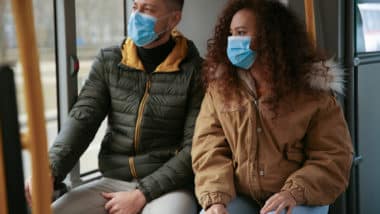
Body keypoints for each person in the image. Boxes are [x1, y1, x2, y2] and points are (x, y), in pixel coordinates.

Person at [25, 0, 204, 213]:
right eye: (135, 6)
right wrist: (50, 169)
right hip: (114, 179)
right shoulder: (109, 61)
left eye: (147, 9)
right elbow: (83, 117)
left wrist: (141, 194)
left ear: (174, 19)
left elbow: (193, 149)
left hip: (168, 187)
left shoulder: (196, 72)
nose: (137, 15)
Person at [191, 0, 353, 214]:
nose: (232, 42)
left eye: (241, 33)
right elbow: (208, 148)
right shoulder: (221, 89)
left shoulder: (313, 92)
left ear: (270, 38)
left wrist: (293, 192)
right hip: (242, 195)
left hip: (300, 197)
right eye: (230, 34)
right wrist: (216, 199)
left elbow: (333, 156)